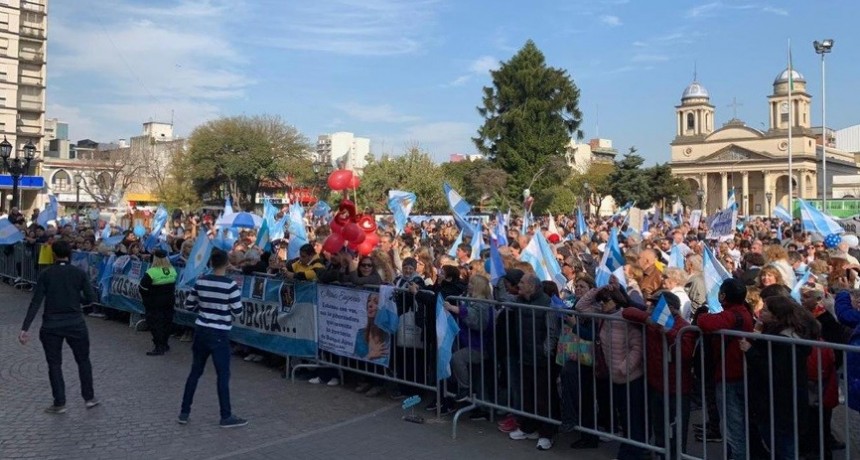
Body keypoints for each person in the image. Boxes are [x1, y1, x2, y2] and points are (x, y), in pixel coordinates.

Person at [19, 240, 100, 413]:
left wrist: (25, 327)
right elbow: (91, 298)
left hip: (51, 324)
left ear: (53, 254)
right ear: (70, 253)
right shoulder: (79, 273)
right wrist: (75, 299)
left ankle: (60, 402)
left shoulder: (46, 274)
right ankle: (89, 397)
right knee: (83, 360)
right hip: (75, 322)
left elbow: (36, 301)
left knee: (54, 364)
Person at [178, 249, 247, 428]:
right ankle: (226, 415)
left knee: (195, 372)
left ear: (210, 263)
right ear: (226, 264)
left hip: (201, 330)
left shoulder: (201, 282)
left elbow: (189, 304)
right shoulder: (230, 285)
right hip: (220, 333)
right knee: (222, 375)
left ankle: (184, 412)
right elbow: (238, 312)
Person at [138, 249, 178, 356]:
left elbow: (142, 288)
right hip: (169, 301)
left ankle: (159, 347)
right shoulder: (172, 270)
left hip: (154, 303)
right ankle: (165, 344)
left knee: (155, 324)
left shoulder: (151, 272)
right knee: (166, 323)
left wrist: (146, 299)